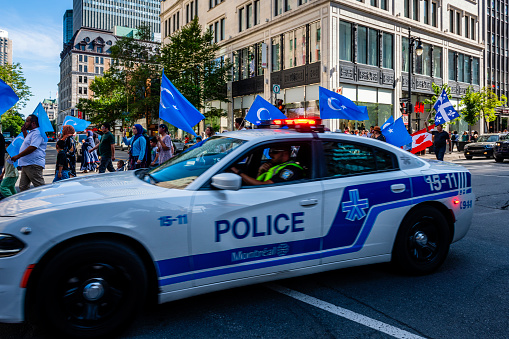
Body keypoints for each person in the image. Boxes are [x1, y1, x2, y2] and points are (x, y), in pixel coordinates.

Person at [230, 144, 304, 185]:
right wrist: (260, 172)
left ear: (285, 153)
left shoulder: (291, 169)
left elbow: (262, 186)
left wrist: (238, 172)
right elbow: (257, 183)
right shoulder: (274, 165)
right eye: (269, 151)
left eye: (274, 151)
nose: (270, 154)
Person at [11, 114, 47, 191]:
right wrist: (24, 132)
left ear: (33, 123)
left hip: (33, 164)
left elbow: (33, 147)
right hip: (27, 164)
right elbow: (28, 143)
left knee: (39, 187)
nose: (25, 123)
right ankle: (25, 202)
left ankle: (46, 201)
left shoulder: (37, 133)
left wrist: (18, 156)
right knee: (23, 187)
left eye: (27, 121)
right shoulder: (32, 132)